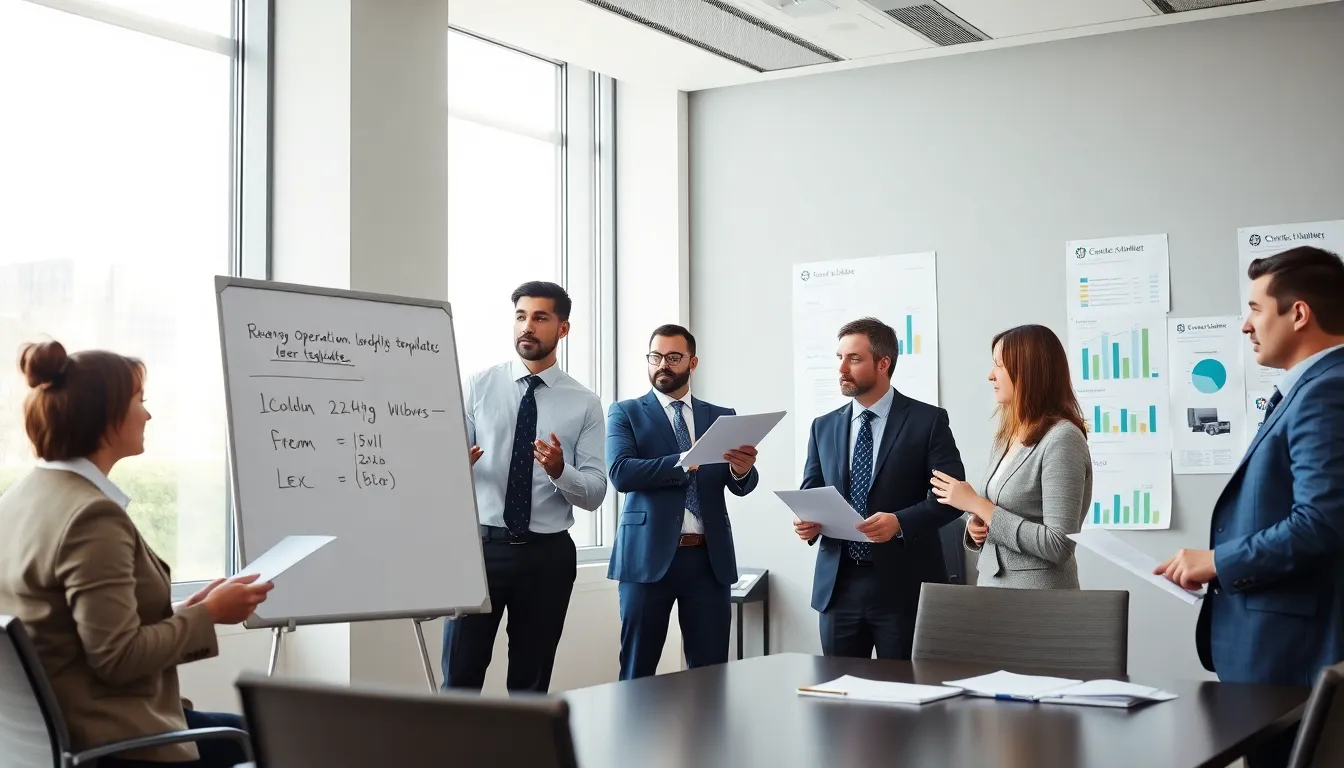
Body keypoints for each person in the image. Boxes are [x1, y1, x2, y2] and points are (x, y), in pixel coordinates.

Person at [0, 341, 273, 767]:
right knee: (290, 739)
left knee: (257, 729)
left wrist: (190, 607)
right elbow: (118, 657)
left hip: (58, 742)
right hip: (118, 744)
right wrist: (210, 616)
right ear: (104, 417)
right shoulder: (91, 516)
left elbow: (79, 630)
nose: (147, 414)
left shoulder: (20, 499)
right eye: (138, 401)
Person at [1155, 246, 1344, 768]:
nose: (1245, 325)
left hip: (1293, 661)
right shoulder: (1308, 390)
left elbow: (1321, 523)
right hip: (1276, 658)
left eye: (1257, 309)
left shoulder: (1327, 392)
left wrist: (1218, 561)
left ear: (1299, 313)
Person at [441, 281, 608, 693]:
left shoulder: (584, 403)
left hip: (546, 558)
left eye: (539, 317)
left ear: (562, 329)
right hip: (480, 551)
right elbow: (441, 474)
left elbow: (595, 494)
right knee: (459, 678)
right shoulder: (478, 386)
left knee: (530, 685)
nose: (527, 327)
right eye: (520, 316)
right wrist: (451, 468)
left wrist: (559, 471)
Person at [794, 317, 966, 659]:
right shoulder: (823, 426)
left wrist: (899, 523)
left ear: (883, 363)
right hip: (838, 587)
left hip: (902, 588)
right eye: (839, 357)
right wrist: (807, 522)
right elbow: (811, 491)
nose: (841, 367)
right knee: (838, 698)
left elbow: (951, 500)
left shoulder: (928, 421)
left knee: (903, 699)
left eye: (853, 359)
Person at [606, 325, 760, 680]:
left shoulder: (720, 416)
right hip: (646, 558)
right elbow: (621, 472)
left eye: (673, 357)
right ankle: (633, 736)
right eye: (655, 357)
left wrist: (742, 470)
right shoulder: (625, 412)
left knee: (710, 674)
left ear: (692, 362)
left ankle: (707, 736)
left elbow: (739, 486)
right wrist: (682, 460)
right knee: (637, 671)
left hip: (708, 560)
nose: (663, 364)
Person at [930, 324, 1092, 589]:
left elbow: (1058, 544)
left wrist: (978, 505)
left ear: (1028, 372)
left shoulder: (1063, 438)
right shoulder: (1007, 435)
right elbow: (1002, 514)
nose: (990, 376)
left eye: (999, 366)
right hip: (993, 589)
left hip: (1037, 600)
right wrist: (976, 527)